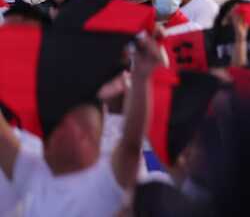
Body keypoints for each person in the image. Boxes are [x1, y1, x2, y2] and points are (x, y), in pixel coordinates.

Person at [0, 37, 164, 217]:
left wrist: (141, 78)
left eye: (61, 126)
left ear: (88, 137)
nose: (50, 134)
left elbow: (131, 144)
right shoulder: (35, 175)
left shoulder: (103, 183)